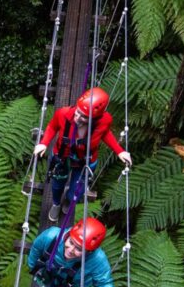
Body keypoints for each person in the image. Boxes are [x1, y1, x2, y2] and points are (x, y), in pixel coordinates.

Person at [33, 87, 132, 221]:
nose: (77, 118)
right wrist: (44, 143)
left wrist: (119, 151)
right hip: (62, 156)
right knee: (57, 184)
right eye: (78, 112)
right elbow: (52, 127)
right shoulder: (63, 114)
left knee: (78, 189)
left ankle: (69, 200)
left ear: (95, 118)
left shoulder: (104, 121)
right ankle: (56, 203)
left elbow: (105, 133)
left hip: (86, 160)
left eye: (84, 117)